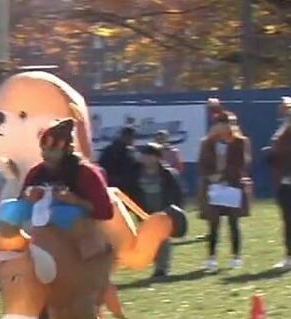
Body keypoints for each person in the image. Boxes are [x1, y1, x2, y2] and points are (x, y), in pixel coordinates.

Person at [22, 119, 119, 319]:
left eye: (52, 150)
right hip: (51, 253)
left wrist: (74, 202)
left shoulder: (84, 174)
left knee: (80, 305)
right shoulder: (36, 174)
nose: (46, 155)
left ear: (66, 149)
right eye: (44, 149)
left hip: (87, 250)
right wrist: (28, 201)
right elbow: (21, 208)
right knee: (57, 308)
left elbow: (104, 211)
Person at [198, 101, 252, 271]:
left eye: (229, 123)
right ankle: (211, 258)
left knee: (233, 223)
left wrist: (223, 174)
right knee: (213, 224)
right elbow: (203, 164)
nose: (226, 127)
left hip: (233, 185)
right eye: (222, 123)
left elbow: (242, 163)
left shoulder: (240, 142)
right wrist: (211, 176)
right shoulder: (207, 143)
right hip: (214, 187)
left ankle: (236, 257)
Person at [264, 98, 291, 269]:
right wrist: (271, 156)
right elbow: (275, 159)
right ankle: (289, 256)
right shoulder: (281, 138)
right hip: (285, 185)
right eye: (289, 117)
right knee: (288, 221)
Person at [134, 144, 186, 278]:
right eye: (143, 155)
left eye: (147, 155)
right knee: (149, 241)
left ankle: (162, 268)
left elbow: (178, 193)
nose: (144, 158)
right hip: (144, 212)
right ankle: (158, 264)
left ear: (156, 158)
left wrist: (175, 211)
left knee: (163, 239)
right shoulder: (136, 172)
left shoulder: (168, 174)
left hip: (164, 211)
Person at [98, 126, 140, 192]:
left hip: (124, 187)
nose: (132, 140)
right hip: (118, 188)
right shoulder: (112, 151)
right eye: (131, 137)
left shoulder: (131, 151)